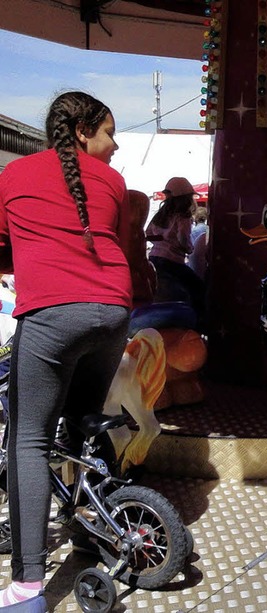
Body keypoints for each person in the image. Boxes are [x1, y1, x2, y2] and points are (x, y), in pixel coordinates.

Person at [0, 91, 134, 610]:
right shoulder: (116, 183)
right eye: (109, 133)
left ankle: (29, 586)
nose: (115, 144)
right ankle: (91, 530)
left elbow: (8, 241)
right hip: (114, 311)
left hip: (53, 312)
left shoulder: (13, 176)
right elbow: (119, 243)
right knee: (84, 423)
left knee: (29, 439)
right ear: (82, 131)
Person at [146, 177, 206, 318]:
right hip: (172, 262)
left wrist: (161, 240)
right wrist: (189, 249)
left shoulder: (160, 215)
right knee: (198, 288)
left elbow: (148, 233)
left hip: (154, 258)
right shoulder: (183, 217)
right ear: (185, 198)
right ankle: (200, 324)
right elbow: (183, 240)